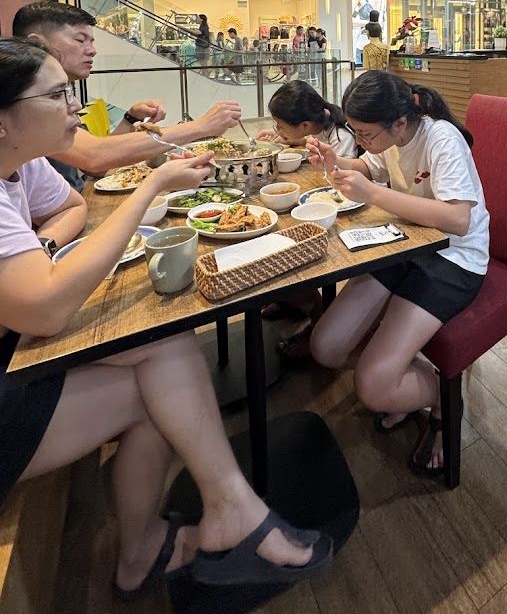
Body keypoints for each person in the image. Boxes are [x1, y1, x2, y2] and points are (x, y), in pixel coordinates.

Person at [0, 38, 332, 597]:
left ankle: (189, 530)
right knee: (169, 390)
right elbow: (48, 309)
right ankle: (208, 524)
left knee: (171, 348)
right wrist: (153, 182)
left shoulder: (19, 167)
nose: (76, 107)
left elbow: (73, 207)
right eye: (57, 95)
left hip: (16, 351)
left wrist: (37, 247)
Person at [307, 71, 489, 477]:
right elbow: (369, 167)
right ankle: (413, 380)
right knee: (326, 346)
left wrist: (372, 194)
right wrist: (335, 161)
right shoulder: (387, 137)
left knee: (373, 387)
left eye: (365, 134)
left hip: (454, 259)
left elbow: (458, 219)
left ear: (400, 123)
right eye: (354, 131)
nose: (361, 140)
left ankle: (443, 398)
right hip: (405, 243)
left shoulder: (441, 138)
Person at [12, 2, 242, 190]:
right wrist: (202, 126)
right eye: (80, 39)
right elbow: (95, 156)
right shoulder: (25, 101)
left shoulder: (64, 96)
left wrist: (130, 119)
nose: (92, 50)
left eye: (92, 41)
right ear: (38, 44)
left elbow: (96, 167)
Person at [256, 83, 357, 350]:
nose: (277, 130)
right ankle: (293, 302)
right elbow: (313, 143)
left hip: (341, 210)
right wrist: (289, 139)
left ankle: (312, 314)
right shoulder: (319, 128)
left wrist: (297, 145)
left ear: (304, 125)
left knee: (294, 238)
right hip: (318, 197)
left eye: (280, 125)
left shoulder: (341, 136)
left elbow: (335, 177)